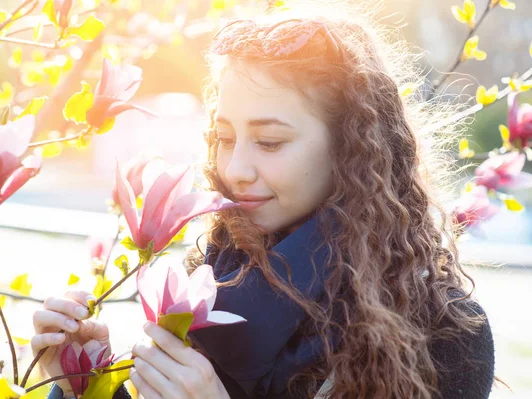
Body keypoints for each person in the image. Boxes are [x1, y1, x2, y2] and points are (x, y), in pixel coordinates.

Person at [32, 1, 496, 398]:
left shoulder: (445, 332)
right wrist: (86, 380)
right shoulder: (212, 278)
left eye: (270, 142)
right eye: (225, 137)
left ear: (348, 148)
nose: (234, 170)